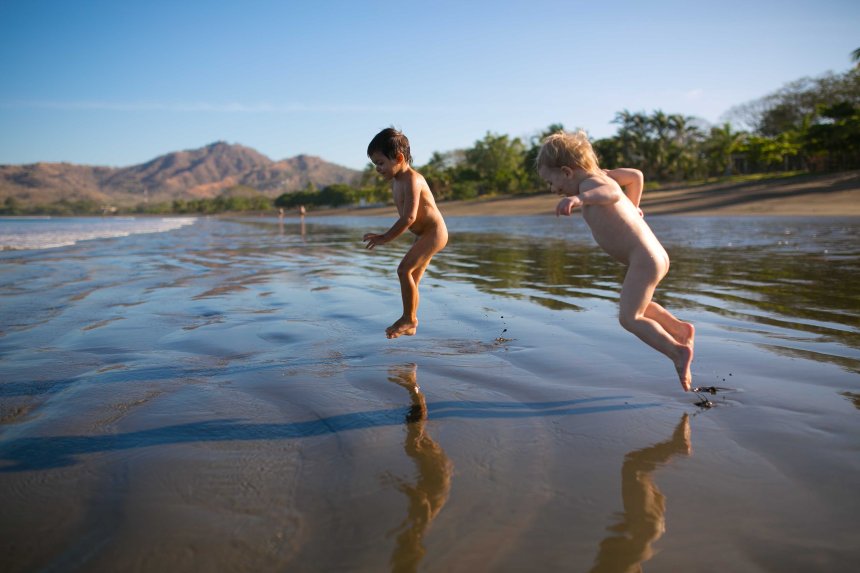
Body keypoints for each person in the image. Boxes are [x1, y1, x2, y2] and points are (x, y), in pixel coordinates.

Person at [536, 130, 694, 391]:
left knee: (629, 318)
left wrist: (578, 198)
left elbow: (609, 195)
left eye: (551, 183)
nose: (553, 190)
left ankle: (677, 352)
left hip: (644, 259)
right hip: (652, 257)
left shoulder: (591, 185)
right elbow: (636, 177)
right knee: (636, 305)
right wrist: (634, 205)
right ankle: (679, 329)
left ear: (566, 171)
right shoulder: (606, 175)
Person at [364, 128, 448, 339]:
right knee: (413, 278)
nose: (377, 169)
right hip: (424, 235)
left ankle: (409, 318)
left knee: (404, 271)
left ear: (399, 158)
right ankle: (411, 323)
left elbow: (408, 217)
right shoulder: (396, 182)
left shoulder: (412, 179)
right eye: (375, 164)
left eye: (380, 163)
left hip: (434, 233)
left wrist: (385, 237)